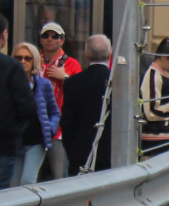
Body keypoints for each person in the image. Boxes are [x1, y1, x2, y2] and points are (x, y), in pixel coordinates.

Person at [60, 35, 114, 174]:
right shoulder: (120, 84)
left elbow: (67, 122)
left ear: (86, 54)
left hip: (81, 152)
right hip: (112, 153)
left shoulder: (73, 83)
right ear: (110, 53)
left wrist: (72, 149)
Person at [0, 13, 36, 190]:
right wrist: (13, 130)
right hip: (2, 145)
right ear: (4, 35)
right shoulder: (11, 67)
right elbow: (27, 107)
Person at [9, 43, 60, 187]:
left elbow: (54, 112)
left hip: (36, 142)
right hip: (14, 142)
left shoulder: (43, 84)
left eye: (27, 58)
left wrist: (50, 129)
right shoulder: (8, 84)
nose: (23, 61)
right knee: (13, 186)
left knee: (27, 181)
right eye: (18, 58)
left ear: (34, 61)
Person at [38, 21, 81, 180]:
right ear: (41, 39)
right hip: (36, 126)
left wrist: (65, 77)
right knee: (31, 177)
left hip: (59, 129)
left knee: (60, 176)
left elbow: (79, 92)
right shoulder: (34, 60)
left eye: (54, 36)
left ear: (62, 40)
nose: (49, 39)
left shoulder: (71, 63)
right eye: (46, 35)